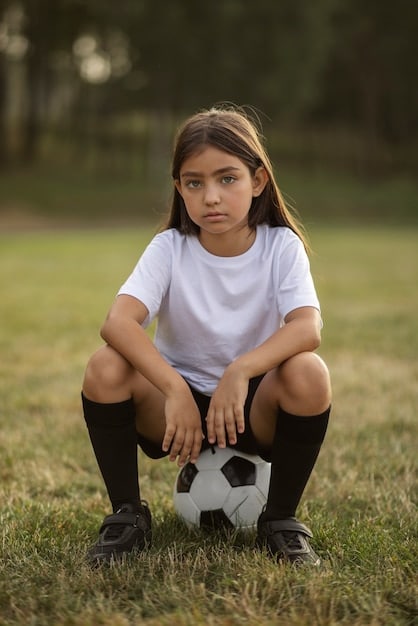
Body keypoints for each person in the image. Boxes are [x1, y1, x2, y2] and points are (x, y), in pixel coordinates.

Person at [81, 105, 332, 567]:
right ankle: (127, 516)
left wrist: (241, 370)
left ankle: (279, 521)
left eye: (227, 179)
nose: (211, 196)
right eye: (194, 182)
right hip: (177, 413)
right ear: (180, 188)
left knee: (308, 373)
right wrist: (174, 388)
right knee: (105, 366)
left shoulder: (280, 245)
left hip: (252, 408)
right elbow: (118, 323)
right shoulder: (170, 249)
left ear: (257, 181)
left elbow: (307, 327)